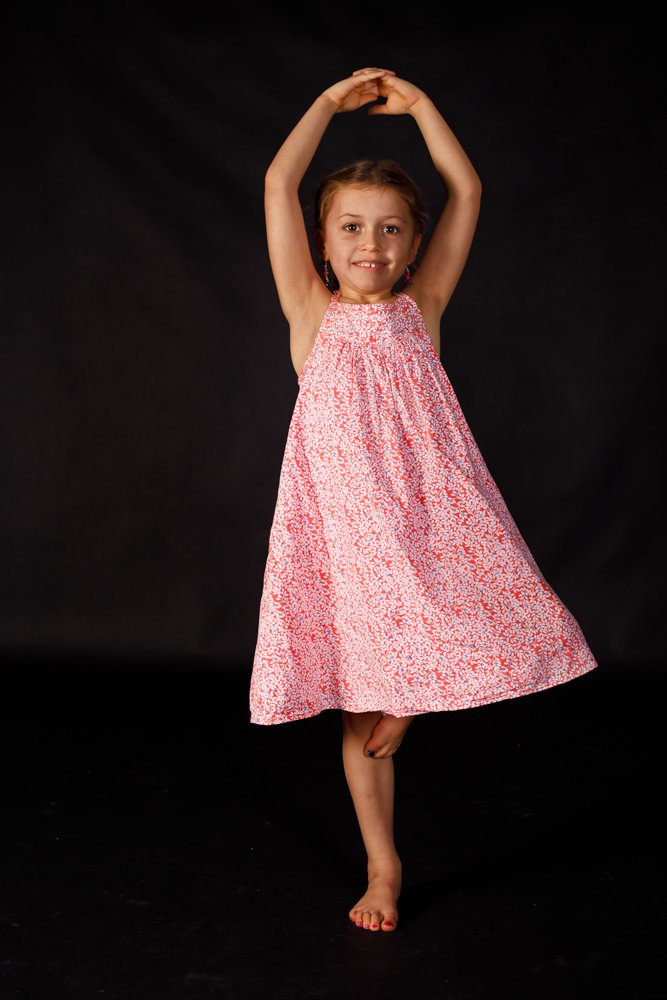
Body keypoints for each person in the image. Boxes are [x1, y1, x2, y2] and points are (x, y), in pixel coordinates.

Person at [249, 68, 598, 933]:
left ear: (413, 247)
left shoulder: (424, 307)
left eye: (391, 230)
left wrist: (425, 108)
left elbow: (467, 186)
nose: (371, 244)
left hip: (431, 518)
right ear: (323, 244)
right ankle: (383, 862)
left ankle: (413, 687)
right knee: (358, 716)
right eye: (353, 228)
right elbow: (276, 182)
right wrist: (327, 105)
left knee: (438, 645)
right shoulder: (308, 313)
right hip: (344, 534)